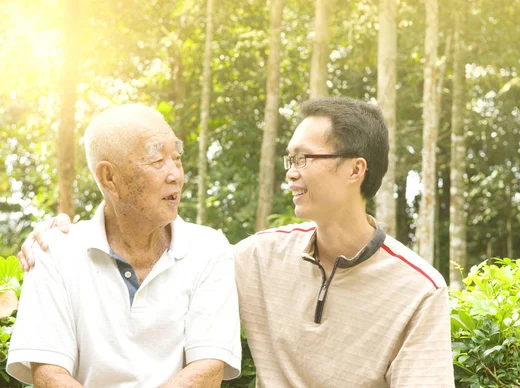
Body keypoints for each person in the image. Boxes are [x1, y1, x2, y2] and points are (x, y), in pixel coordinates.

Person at [19, 97, 454, 387]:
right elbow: (161, 254)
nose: (291, 172)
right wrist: (55, 233)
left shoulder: (419, 289)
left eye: (305, 158)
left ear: (355, 170)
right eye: (289, 159)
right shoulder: (256, 257)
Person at [9, 104, 241, 387]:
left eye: (177, 158)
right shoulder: (52, 252)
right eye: (157, 161)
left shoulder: (210, 249)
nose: (175, 175)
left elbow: (206, 370)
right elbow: (49, 374)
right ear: (109, 178)